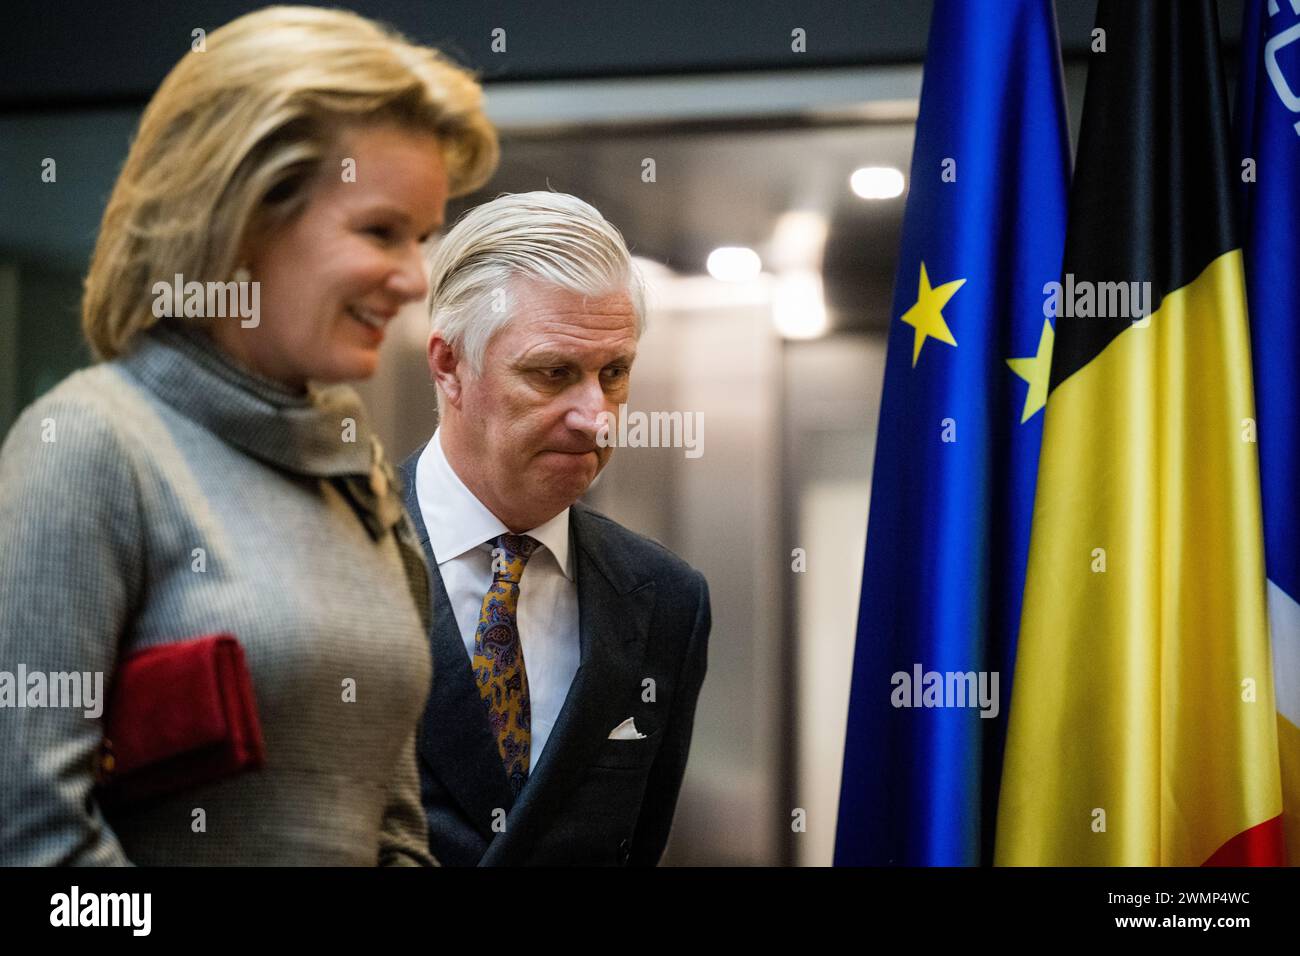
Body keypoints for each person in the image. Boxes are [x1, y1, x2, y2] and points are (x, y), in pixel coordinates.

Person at [0, 6, 497, 865]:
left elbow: (393, 825)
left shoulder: (356, 477)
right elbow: (31, 840)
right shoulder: (91, 446)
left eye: (421, 237)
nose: (415, 278)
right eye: (380, 231)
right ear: (239, 216)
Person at [402, 191, 711, 865]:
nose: (595, 415)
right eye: (553, 373)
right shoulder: (338, 557)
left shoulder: (666, 600)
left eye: (614, 373)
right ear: (449, 365)